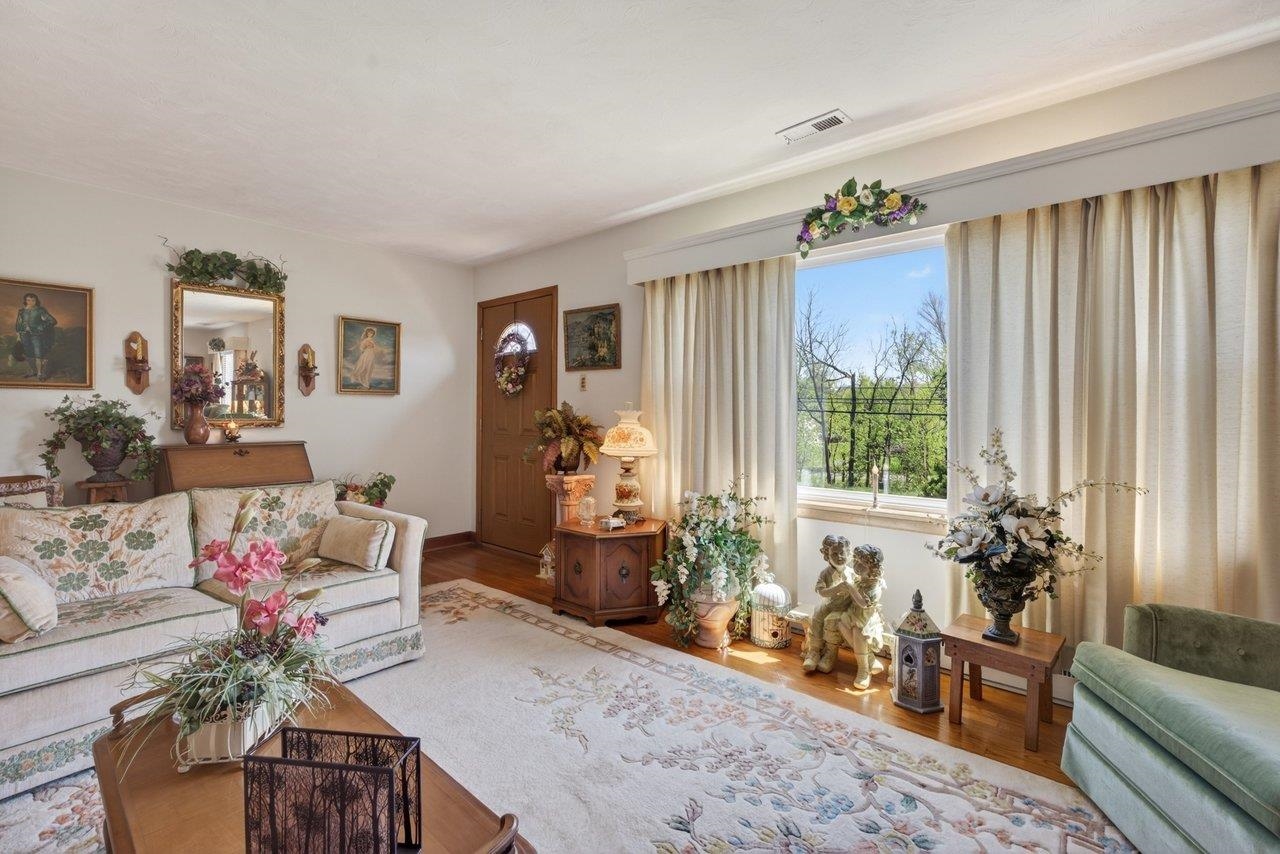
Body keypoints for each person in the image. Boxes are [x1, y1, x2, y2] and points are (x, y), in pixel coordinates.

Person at [802, 535, 853, 674]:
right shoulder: (826, 573)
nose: (839, 557)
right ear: (827, 555)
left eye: (842, 553)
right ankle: (814, 651)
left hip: (845, 607)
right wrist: (836, 589)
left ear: (848, 553)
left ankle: (831, 654)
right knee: (818, 616)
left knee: (831, 622)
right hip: (829, 603)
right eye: (834, 554)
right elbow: (822, 591)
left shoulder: (852, 573)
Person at [15, 292, 57, 381]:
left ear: (36, 301)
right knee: (28, 354)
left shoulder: (40, 310)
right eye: (28, 300)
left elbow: (52, 321)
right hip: (24, 335)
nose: (30, 302)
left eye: (33, 300)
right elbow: (18, 324)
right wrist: (18, 336)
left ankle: (40, 374)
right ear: (25, 301)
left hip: (37, 335)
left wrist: (40, 327)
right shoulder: (21, 311)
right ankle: (33, 371)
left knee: (38, 354)